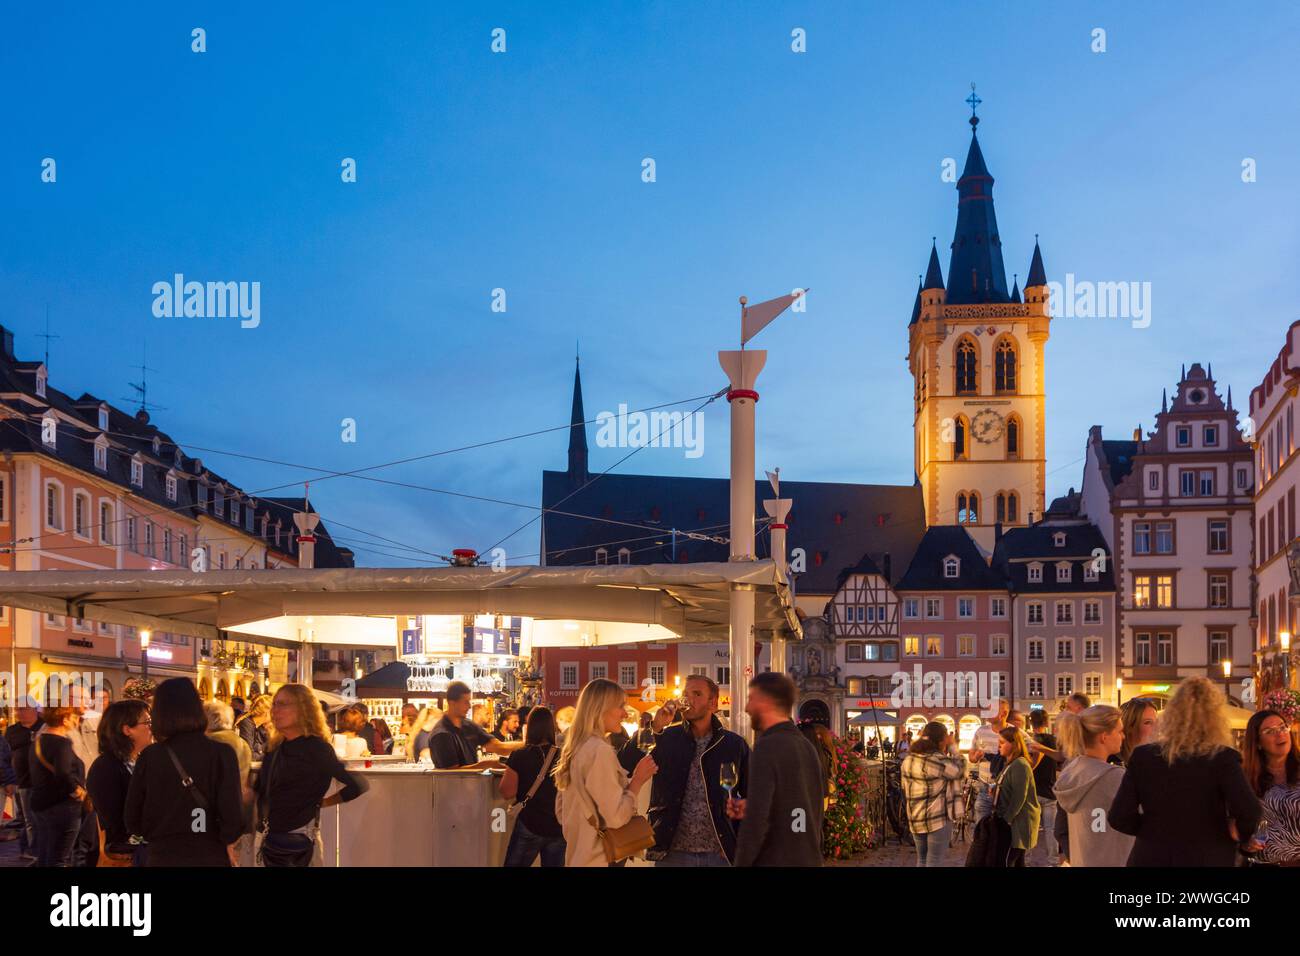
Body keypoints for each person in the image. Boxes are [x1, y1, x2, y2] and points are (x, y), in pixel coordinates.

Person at [1109, 677, 1260, 866]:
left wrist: (1151, 830)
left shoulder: (1143, 756)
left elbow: (1118, 817)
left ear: (1172, 714)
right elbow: (1250, 811)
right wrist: (1237, 833)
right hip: (1208, 857)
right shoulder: (1223, 758)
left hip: (1152, 858)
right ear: (1215, 717)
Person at [616, 674, 750, 866]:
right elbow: (625, 763)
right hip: (671, 851)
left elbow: (750, 795)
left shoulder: (733, 744)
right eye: (686, 694)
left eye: (697, 694)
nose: (688, 699)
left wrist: (736, 841)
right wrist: (656, 726)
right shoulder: (667, 737)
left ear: (713, 703)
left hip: (718, 852)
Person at [124, 679, 242, 866]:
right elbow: (233, 818)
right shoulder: (222, 753)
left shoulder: (150, 756)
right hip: (209, 854)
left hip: (162, 855)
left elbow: (132, 819)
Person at [254, 684, 369, 866]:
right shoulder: (274, 748)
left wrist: (322, 803)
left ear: (303, 710)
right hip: (267, 839)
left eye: (283, 704)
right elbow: (260, 792)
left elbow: (357, 785)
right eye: (274, 704)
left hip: (301, 841)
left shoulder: (317, 748)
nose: (275, 710)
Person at [553, 678, 657, 866]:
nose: (625, 714)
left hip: (577, 856)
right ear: (601, 709)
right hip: (598, 858)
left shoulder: (575, 748)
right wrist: (637, 781)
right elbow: (616, 817)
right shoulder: (599, 750)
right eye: (620, 706)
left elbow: (561, 813)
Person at [727, 672, 824, 866]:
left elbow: (755, 824)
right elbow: (804, 806)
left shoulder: (768, 747)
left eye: (751, 699)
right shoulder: (806, 746)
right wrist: (753, 805)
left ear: (766, 701)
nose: (747, 708)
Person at [1052, 704, 1133, 867]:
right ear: (1104, 736)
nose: (1123, 736)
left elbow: (1060, 830)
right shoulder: (1115, 777)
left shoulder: (1070, 772)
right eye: (1119, 731)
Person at [86, 700, 152, 865]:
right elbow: (115, 821)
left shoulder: (143, 761)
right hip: (127, 846)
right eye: (147, 722)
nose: (153, 727)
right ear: (127, 729)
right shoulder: (106, 767)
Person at [500, 707, 565, 866]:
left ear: (530, 727)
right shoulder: (564, 756)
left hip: (530, 824)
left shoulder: (520, 755)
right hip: (558, 827)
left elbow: (507, 792)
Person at [900, 721, 967, 866]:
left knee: (922, 858)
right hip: (937, 818)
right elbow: (960, 770)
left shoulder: (909, 759)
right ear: (941, 741)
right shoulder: (937, 760)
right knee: (934, 860)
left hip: (915, 815)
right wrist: (954, 748)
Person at [1240, 710, 1300, 865]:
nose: (1280, 734)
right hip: (1262, 863)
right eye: (1270, 731)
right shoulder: (1245, 777)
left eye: (1282, 727)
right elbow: (1232, 822)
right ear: (1258, 743)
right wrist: (1246, 842)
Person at [28, 705, 86, 867]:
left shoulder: (38, 740)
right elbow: (63, 772)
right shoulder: (62, 743)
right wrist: (76, 790)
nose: (76, 721)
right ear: (64, 719)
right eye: (73, 717)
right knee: (60, 856)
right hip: (61, 805)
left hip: (40, 802)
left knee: (45, 853)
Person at [428, 682, 518, 768]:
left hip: (472, 783)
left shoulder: (468, 725)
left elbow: (498, 747)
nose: (469, 706)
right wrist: (486, 765)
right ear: (452, 703)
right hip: (450, 784)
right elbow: (451, 774)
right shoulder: (441, 734)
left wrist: (526, 744)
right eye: (465, 702)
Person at [993, 726, 1040, 867]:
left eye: (1002, 742)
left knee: (1009, 860)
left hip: (1019, 822)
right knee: (1017, 861)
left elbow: (1019, 796)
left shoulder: (1020, 764)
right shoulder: (1011, 763)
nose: (999, 745)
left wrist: (1006, 820)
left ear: (1014, 744)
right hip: (1013, 820)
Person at [5, 696, 44, 862]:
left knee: (37, 818)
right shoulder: (12, 730)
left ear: (34, 710)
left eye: (23, 709)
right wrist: (9, 780)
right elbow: (7, 756)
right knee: (28, 818)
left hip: (42, 780)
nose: (19, 712)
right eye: (17, 709)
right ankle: (31, 850)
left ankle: (34, 848)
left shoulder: (44, 727)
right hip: (22, 781)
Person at [1028, 708, 1062, 865]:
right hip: (1049, 790)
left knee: (1029, 829)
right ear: (1047, 722)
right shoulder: (1054, 740)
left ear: (1030, 722)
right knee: (1051, 829)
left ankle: (1026, 861)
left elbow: (1029, 765)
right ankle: (1053, 862)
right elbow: (1060, 764)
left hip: (1032, 791)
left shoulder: (1029, 741)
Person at [969, 698, 1012, 822]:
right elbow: (971, 756)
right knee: (981, 826)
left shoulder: (1013, 732)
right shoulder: (981, 731)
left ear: (1003, 714)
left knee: (1003, 826)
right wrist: (975, 757)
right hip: (984, 786)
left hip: (1005, 788)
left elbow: (1032, 750)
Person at [1119, 697, 1159, 766]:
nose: (1156, 728)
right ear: (1129, 726)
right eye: (1148, 722)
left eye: (1157, 722)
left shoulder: (1153, 759)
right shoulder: (1116, 766)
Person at [235, 695, 271, 762]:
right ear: (267, 713)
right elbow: (248, 755)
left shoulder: (259, 726)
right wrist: (269, 757)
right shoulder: (246, 724)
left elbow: (267, 748)